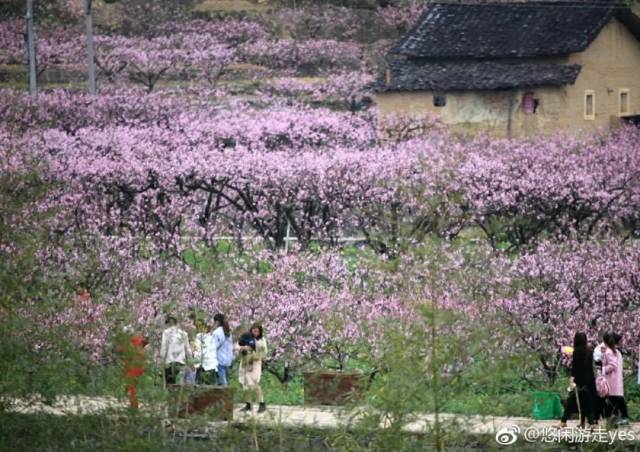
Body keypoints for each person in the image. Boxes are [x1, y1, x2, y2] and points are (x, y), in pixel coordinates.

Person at [560, 332, 597, 428]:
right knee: (586, 400)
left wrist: (572, 379)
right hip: (590, 379)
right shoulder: (589, 350)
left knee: (571, 399)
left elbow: (576, 367)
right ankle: (586, 422)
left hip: (580, 380)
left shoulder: (577, 351)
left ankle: (563, 421)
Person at [238, 323, 268, 414]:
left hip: (255, 364)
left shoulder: (262, 340)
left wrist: (255, 356)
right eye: (254, 331)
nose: (255, 333)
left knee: (254, 384)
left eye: (257, 331)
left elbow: (264, 353)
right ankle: (248, 404)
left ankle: (262, 403)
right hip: (245, 363)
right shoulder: (247, 338)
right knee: (245, 385)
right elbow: (240, 348)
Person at [117, 325, 148, 410]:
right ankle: (133, 405)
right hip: (139, 367)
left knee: (132, 388)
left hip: (132, 368)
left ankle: (134, 407)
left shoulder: (128, 342)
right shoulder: (139, 339)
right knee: (133, 388)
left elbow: (119, 350)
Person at [603, 333, 630, 426]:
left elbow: (612, 366)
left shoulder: (609, 352)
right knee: (617, 400)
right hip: (617, 381)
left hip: (611, 381)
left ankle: (614, 419)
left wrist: (602, 369)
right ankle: (620, 418)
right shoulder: (617, 352)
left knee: (612, 401)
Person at [160, 316, 192, 386]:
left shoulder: (166, 333)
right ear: (176, 323)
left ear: (168, 324)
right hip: (181, 362)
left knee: (169, 385)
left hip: (170, 363)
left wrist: (162, 360)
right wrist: (191, 362)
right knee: (179, 385)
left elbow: (164, 347)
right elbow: (188, 349)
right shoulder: (184, 334)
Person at [193, 318, 218, 385]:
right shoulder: (199, 336)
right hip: (203, 359)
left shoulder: (211, 337)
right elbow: (197, 348)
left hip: (209, 359)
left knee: (210, 376)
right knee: (200, 376)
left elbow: (213, 349)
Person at [212, 313, 233, 387]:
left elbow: (214, 346)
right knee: (225, 378)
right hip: (228, 359)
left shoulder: (216, 332)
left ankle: (226, 396)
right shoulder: (228, 332)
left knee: (222, 380)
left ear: (217, 322)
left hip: (219, 358)